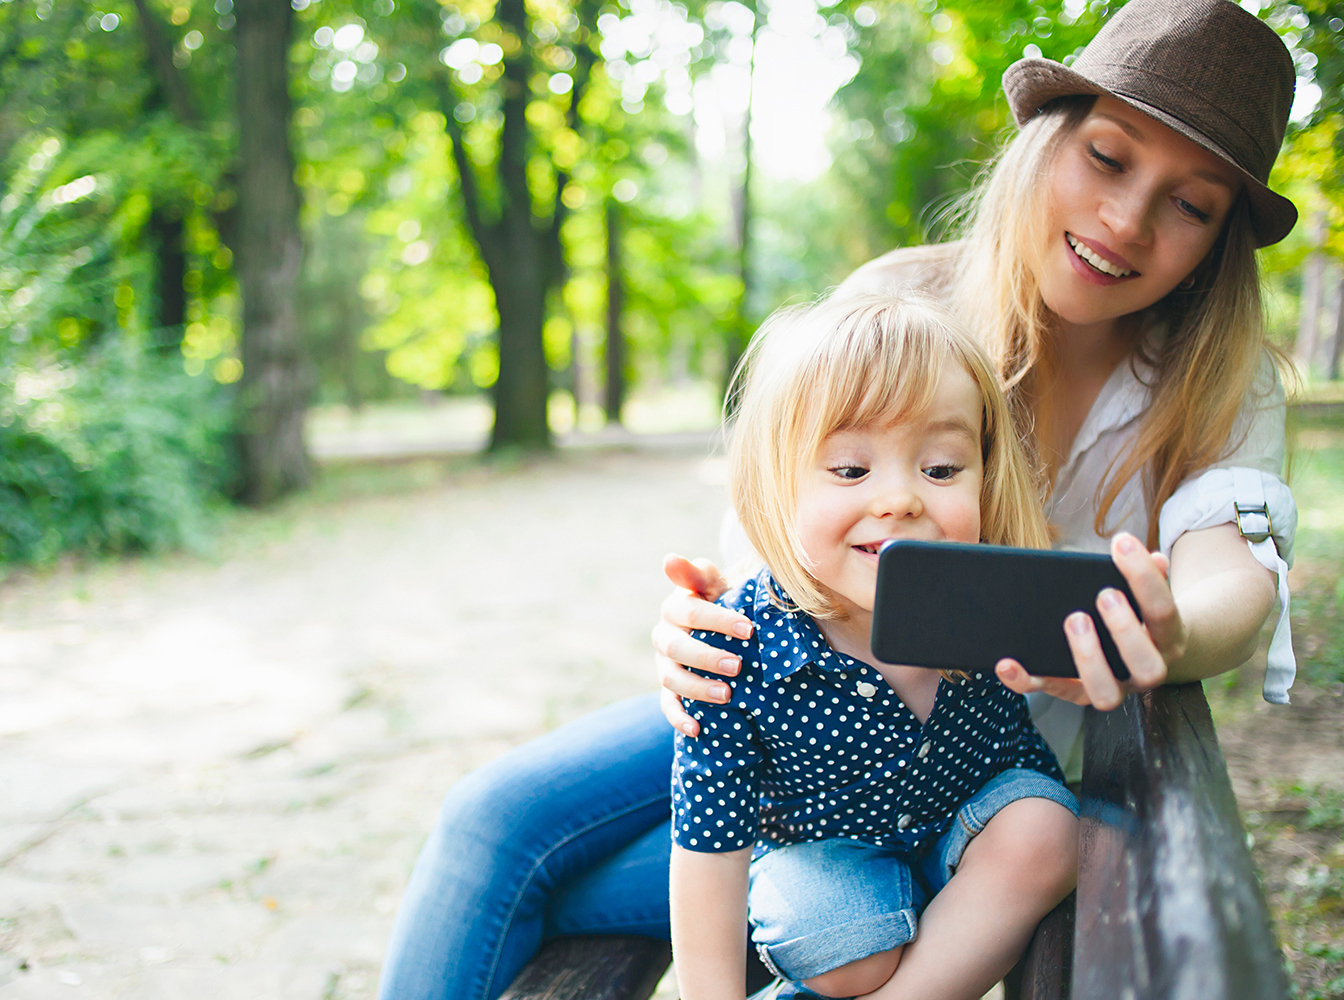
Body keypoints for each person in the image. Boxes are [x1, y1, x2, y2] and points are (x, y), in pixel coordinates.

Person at [376, 2, 1300, 998]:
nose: (1125, 220)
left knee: (538, 882)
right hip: (791, 700)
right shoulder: (900, 302)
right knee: (489, 821)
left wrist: (1162, 626)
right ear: (1042, 144)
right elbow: (771, 534)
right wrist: (699, 620)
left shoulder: (1211, 382)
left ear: (1217, 241)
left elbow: (1227, 580)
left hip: (956, 780)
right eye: (1107, 158)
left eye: (1189, 204)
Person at [668, 295, 1077, 1000]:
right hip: (829, 865)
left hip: (972, 835)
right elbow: (710, 848)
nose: (899, 500)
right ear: (777, 487)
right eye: (851, 470)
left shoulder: (992, 599)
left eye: (942, 470)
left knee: (1047, 829)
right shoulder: (734, 646)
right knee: (840, 945)